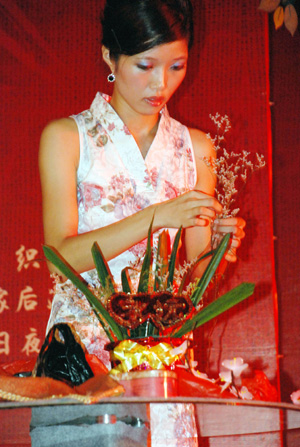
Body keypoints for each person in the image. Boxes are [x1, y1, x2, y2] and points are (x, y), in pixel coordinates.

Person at [39, 0, 245, 445]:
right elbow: (59, 259)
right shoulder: (67, 138)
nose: (161, 84)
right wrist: (156, 217)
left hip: (163, 360)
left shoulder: (197, 148)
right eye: (145, 65)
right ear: (108, 57)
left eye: (176, 67)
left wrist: (218, 252)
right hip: (85, 359)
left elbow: (194, 283)